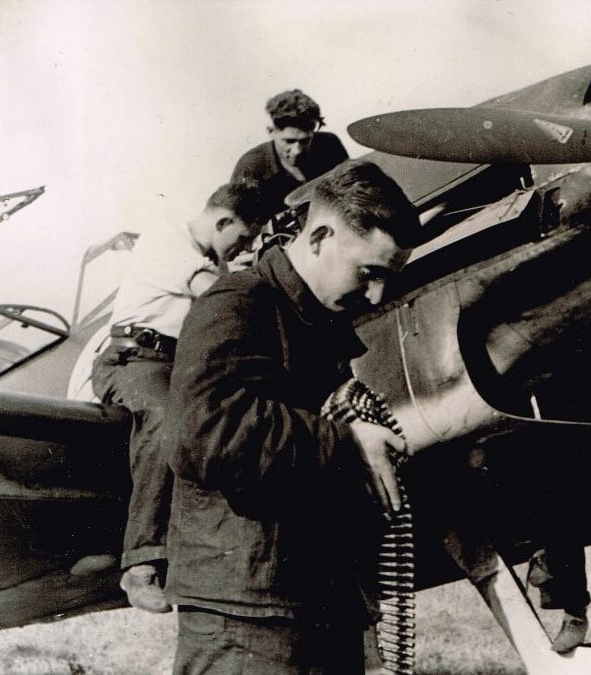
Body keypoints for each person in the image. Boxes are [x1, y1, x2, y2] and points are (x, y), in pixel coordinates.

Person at [163, 159, 421, 674]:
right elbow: (205, 435)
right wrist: (346, 441)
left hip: (315, 601)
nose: (377, 295)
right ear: (320, 236)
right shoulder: (237, 303)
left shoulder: (316, 322)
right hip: (249, 610)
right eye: (368, 273)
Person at [90, 182, 269, 613]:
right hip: (134, 359)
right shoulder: (167, 237)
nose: (240, 247)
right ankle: (141, 566)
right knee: (165, 420)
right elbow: (216, 293)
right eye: (240, 237)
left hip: (174, 365)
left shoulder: (208, 260)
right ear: (222, 221)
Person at [231, 88, 349, 220]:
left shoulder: (330, 145)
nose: (297, 150)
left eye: (305, 141)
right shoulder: (250, 167)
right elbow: (242, 223)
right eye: (289, 141)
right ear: (271, 131)